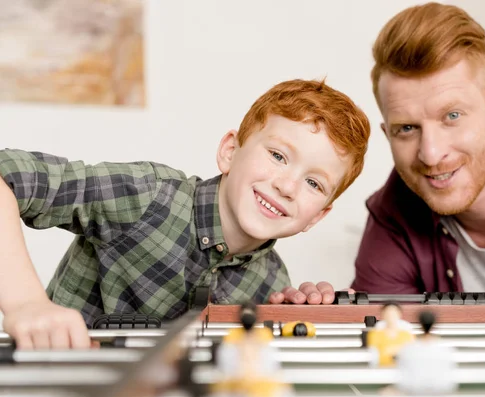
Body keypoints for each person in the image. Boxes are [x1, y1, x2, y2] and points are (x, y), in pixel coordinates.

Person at [270, 2, 485, 306]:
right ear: (388, 135)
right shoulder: (393, 219)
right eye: (407, 129)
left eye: (452, 117)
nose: (430, 153)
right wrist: (317, 317)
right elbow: (390, 353)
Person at [0, 79, 371, 349]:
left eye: (314, 184)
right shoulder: (145, 194)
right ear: (230, 151)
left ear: (316, 217)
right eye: (277, 156)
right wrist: (25, 303)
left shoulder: (272, 285)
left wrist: (291, 329)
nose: (287, 186)